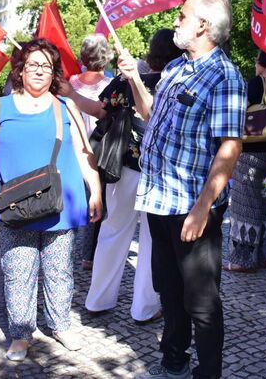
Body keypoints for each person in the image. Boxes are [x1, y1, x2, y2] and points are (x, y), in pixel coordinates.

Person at [119, 0, 246, 379]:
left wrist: (203, 207)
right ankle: (173, 361)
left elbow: (230, 145)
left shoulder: (225, 76)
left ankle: (208, 374)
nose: (176, 20)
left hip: (192, 208)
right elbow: (151, 113)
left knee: (201, 301)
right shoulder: (175, 68)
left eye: (182, 15)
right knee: (169, 291)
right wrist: (133, 80)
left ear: (202, 25)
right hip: (159, 200)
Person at [0, 38, 103, 361]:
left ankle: (60, 324)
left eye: (46, 67)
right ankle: (21, 334)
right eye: (33, 65)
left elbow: (84, 152)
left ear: (54, 74)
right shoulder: (2, 107)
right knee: (18, 270)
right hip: (15, 205)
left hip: (58, 204)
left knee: (59, 270)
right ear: (20, 71)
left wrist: (95, 189)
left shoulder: (66, 107)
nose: (39, 71)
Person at [84, 28, 181, 323]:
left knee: (112, 233)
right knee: (152, 242)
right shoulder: (176, 84)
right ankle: (144, 308)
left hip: (122, 168)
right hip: (158, 172)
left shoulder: (125, 81)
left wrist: (71, 94)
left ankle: (97, 300)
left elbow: (101, 110)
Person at [224, 50, 266, 273]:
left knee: (245, 205)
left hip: (251, 151)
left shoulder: (256, 83)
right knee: (265, 204)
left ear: (262, 63)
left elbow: (239, 109)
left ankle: (242, 259)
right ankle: (263, 256)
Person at [61, 34, 114, 269]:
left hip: (72, 148)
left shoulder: (70, 83)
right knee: (97, 198)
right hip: (100, 150)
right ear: (106, 58)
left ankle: (66, 247)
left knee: (72, 197)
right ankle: (89, 255)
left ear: (83, 57)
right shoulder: (111, 86)